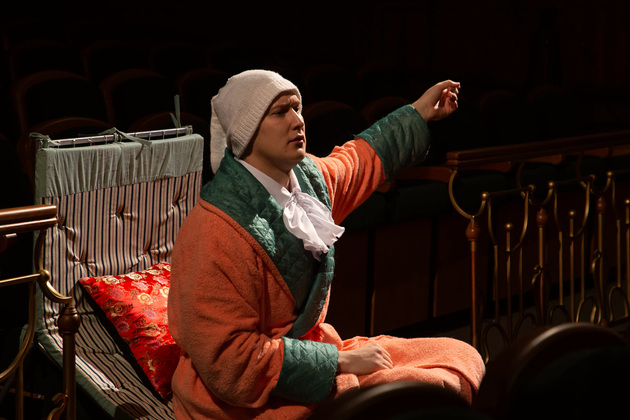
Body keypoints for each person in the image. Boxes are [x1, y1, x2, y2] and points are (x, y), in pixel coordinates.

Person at [167, 69, 485, 419]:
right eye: (280, 112)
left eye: (297, 108)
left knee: (461, 359)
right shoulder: (214, 228)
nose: (297, 121)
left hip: (311, 357)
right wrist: (339, 361)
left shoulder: (307, 181)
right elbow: (230, 361)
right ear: (247, 131)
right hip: (246, 397)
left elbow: (359, 160)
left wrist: (419, 111)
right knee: (417, 398)